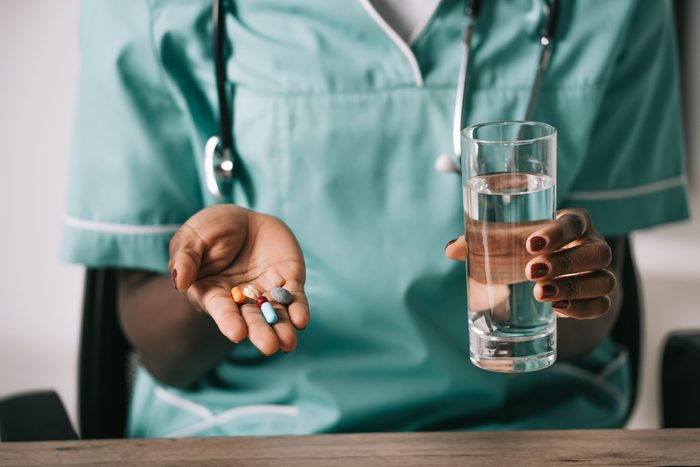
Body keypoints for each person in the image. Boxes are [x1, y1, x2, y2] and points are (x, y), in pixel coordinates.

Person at [63, 0, 689, 437]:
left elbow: (594, 322)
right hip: (261, 435)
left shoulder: (616, 6)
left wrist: (559, 289)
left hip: (520, 431)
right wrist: (210, 292)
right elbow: (161, 348)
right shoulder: (143, 7)